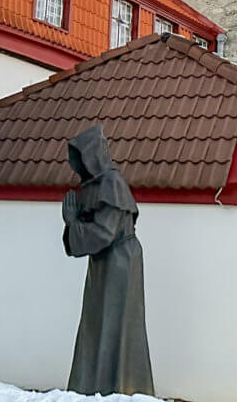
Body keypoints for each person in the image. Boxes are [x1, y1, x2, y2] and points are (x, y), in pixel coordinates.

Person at [62, 124, 154, 396]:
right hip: (103, 262)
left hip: (120, 261)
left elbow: (104, 231)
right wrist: (76, 224)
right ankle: (92, 384)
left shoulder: (112, 183)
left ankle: (121, 386)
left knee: (118, 324)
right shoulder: (95, 186)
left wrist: (73, 223)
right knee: (96, 322)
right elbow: (94, 231)